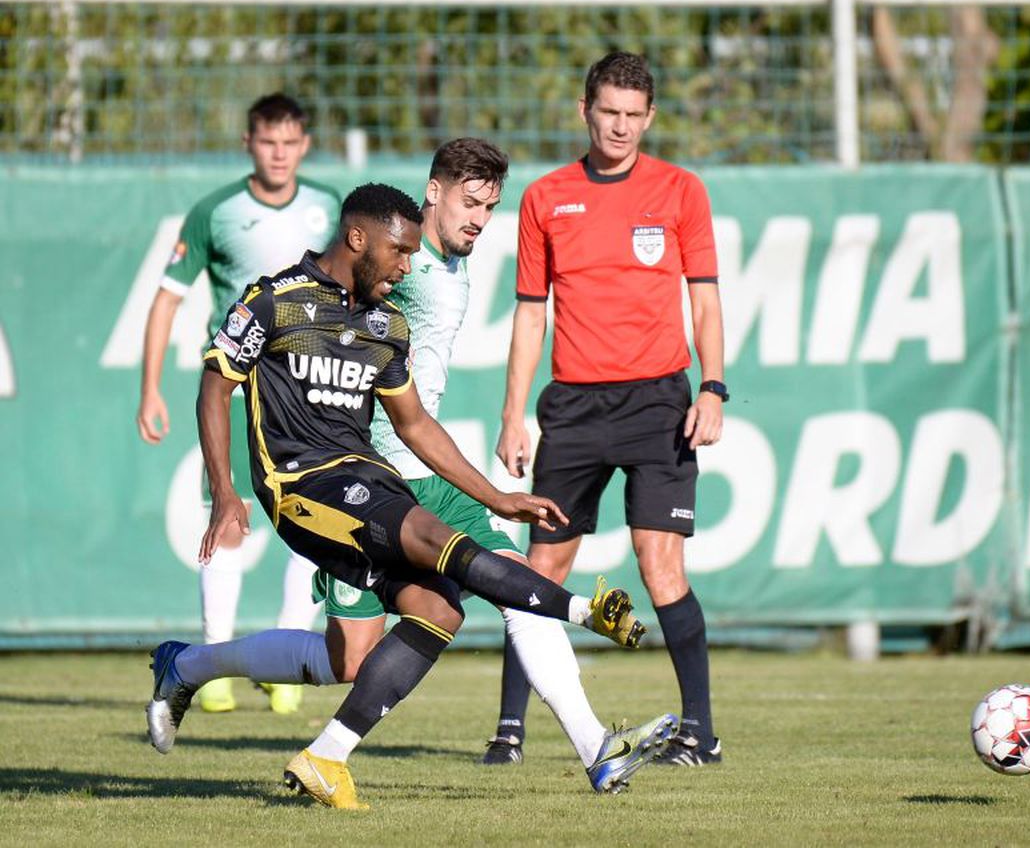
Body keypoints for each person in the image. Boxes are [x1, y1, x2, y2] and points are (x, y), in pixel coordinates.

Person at [145, 142, 677, 801]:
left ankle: (594, 748)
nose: (481, 218)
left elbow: (415, 417)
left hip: (404, 475)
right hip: (346, 486)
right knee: (401, 633)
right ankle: (590, 683)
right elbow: (313, 295)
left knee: (400, 635)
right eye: (469, 202)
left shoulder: (423, 280)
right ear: (431, 195)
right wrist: (227, 487)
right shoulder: (397, 261)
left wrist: (496, 491)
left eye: (491, 206)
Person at [489, 51, 727, 766]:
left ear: (649, 117)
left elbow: (705, 300)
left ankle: (701, 735)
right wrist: (512, 414)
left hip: (660, 403)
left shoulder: (682, 190)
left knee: (661, 572)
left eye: (633, 115)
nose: (619, 127)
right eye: (608, 112)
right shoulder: (545, 198)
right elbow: (531, 316)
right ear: (584, 111)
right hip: (574, 410)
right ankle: (509, 731)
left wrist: (713, 387)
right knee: (539, 573)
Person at [137, 93, 336, 716]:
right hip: (238, 385)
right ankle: (214, 662)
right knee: (226, 507)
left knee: (314, 517)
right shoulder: (215, 212)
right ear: (249, 143)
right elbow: (167, 297)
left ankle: (284, 661)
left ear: (304, 145)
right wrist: (149, 388)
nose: (279, 153)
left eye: (290, 142)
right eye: (267, 141)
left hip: (308, 384)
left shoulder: (329, 208)